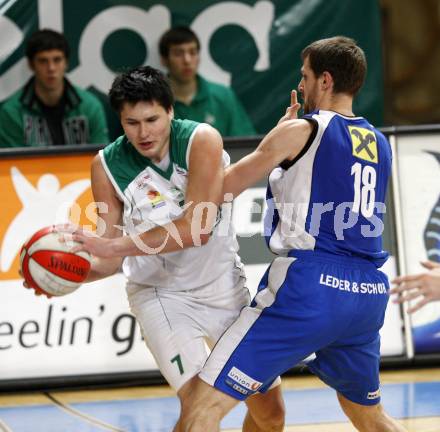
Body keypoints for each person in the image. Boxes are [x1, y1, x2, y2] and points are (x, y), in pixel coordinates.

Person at [176, 36, 408, 431]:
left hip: (311, 286)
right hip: (368, 294)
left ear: (326, 81)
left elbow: (224, 189)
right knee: (368, 416)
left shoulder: (302, 130)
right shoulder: (380, 142)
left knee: (205, 402)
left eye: (305, 76)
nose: (301, 86)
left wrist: (174, 202)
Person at [47, 66, 284, 432]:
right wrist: (66, 273)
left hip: (224, 287)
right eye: (131, 122)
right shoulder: (106, 166)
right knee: (197, 404)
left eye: (152, 119)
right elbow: (108, 261)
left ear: (171, 111)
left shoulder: (201, 140)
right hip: (161, 295)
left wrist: (112, 244)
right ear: (120, 121)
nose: (143, 132)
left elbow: (197, 230)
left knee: (270, 412)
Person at [0, 29, 109, 147]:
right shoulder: (12, 112)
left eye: (57, 60)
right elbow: (12, 164)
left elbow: (101, 159)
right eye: (43, 61)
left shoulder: (90, 107)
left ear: (66, 63)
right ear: (31, 65)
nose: (51, 68)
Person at [158, 26, 256, 137]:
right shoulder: (155, 100)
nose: (187, 60)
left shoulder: (224, 97)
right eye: (178, 53)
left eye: (193, 52)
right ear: (164, 60)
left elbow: (245, 143)